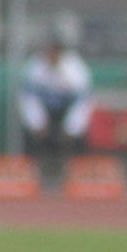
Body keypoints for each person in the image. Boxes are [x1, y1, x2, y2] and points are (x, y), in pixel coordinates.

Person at [18, 37, 93, 191]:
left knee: (78, 142)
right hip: (45, 114)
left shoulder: (76, 68)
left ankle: (81, 181)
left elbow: (82, 102)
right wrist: (37, 123)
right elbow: (28, 98)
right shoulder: (34, 66)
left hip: (67, 114)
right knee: (31, 140)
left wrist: (72, 129)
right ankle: (29, 179)